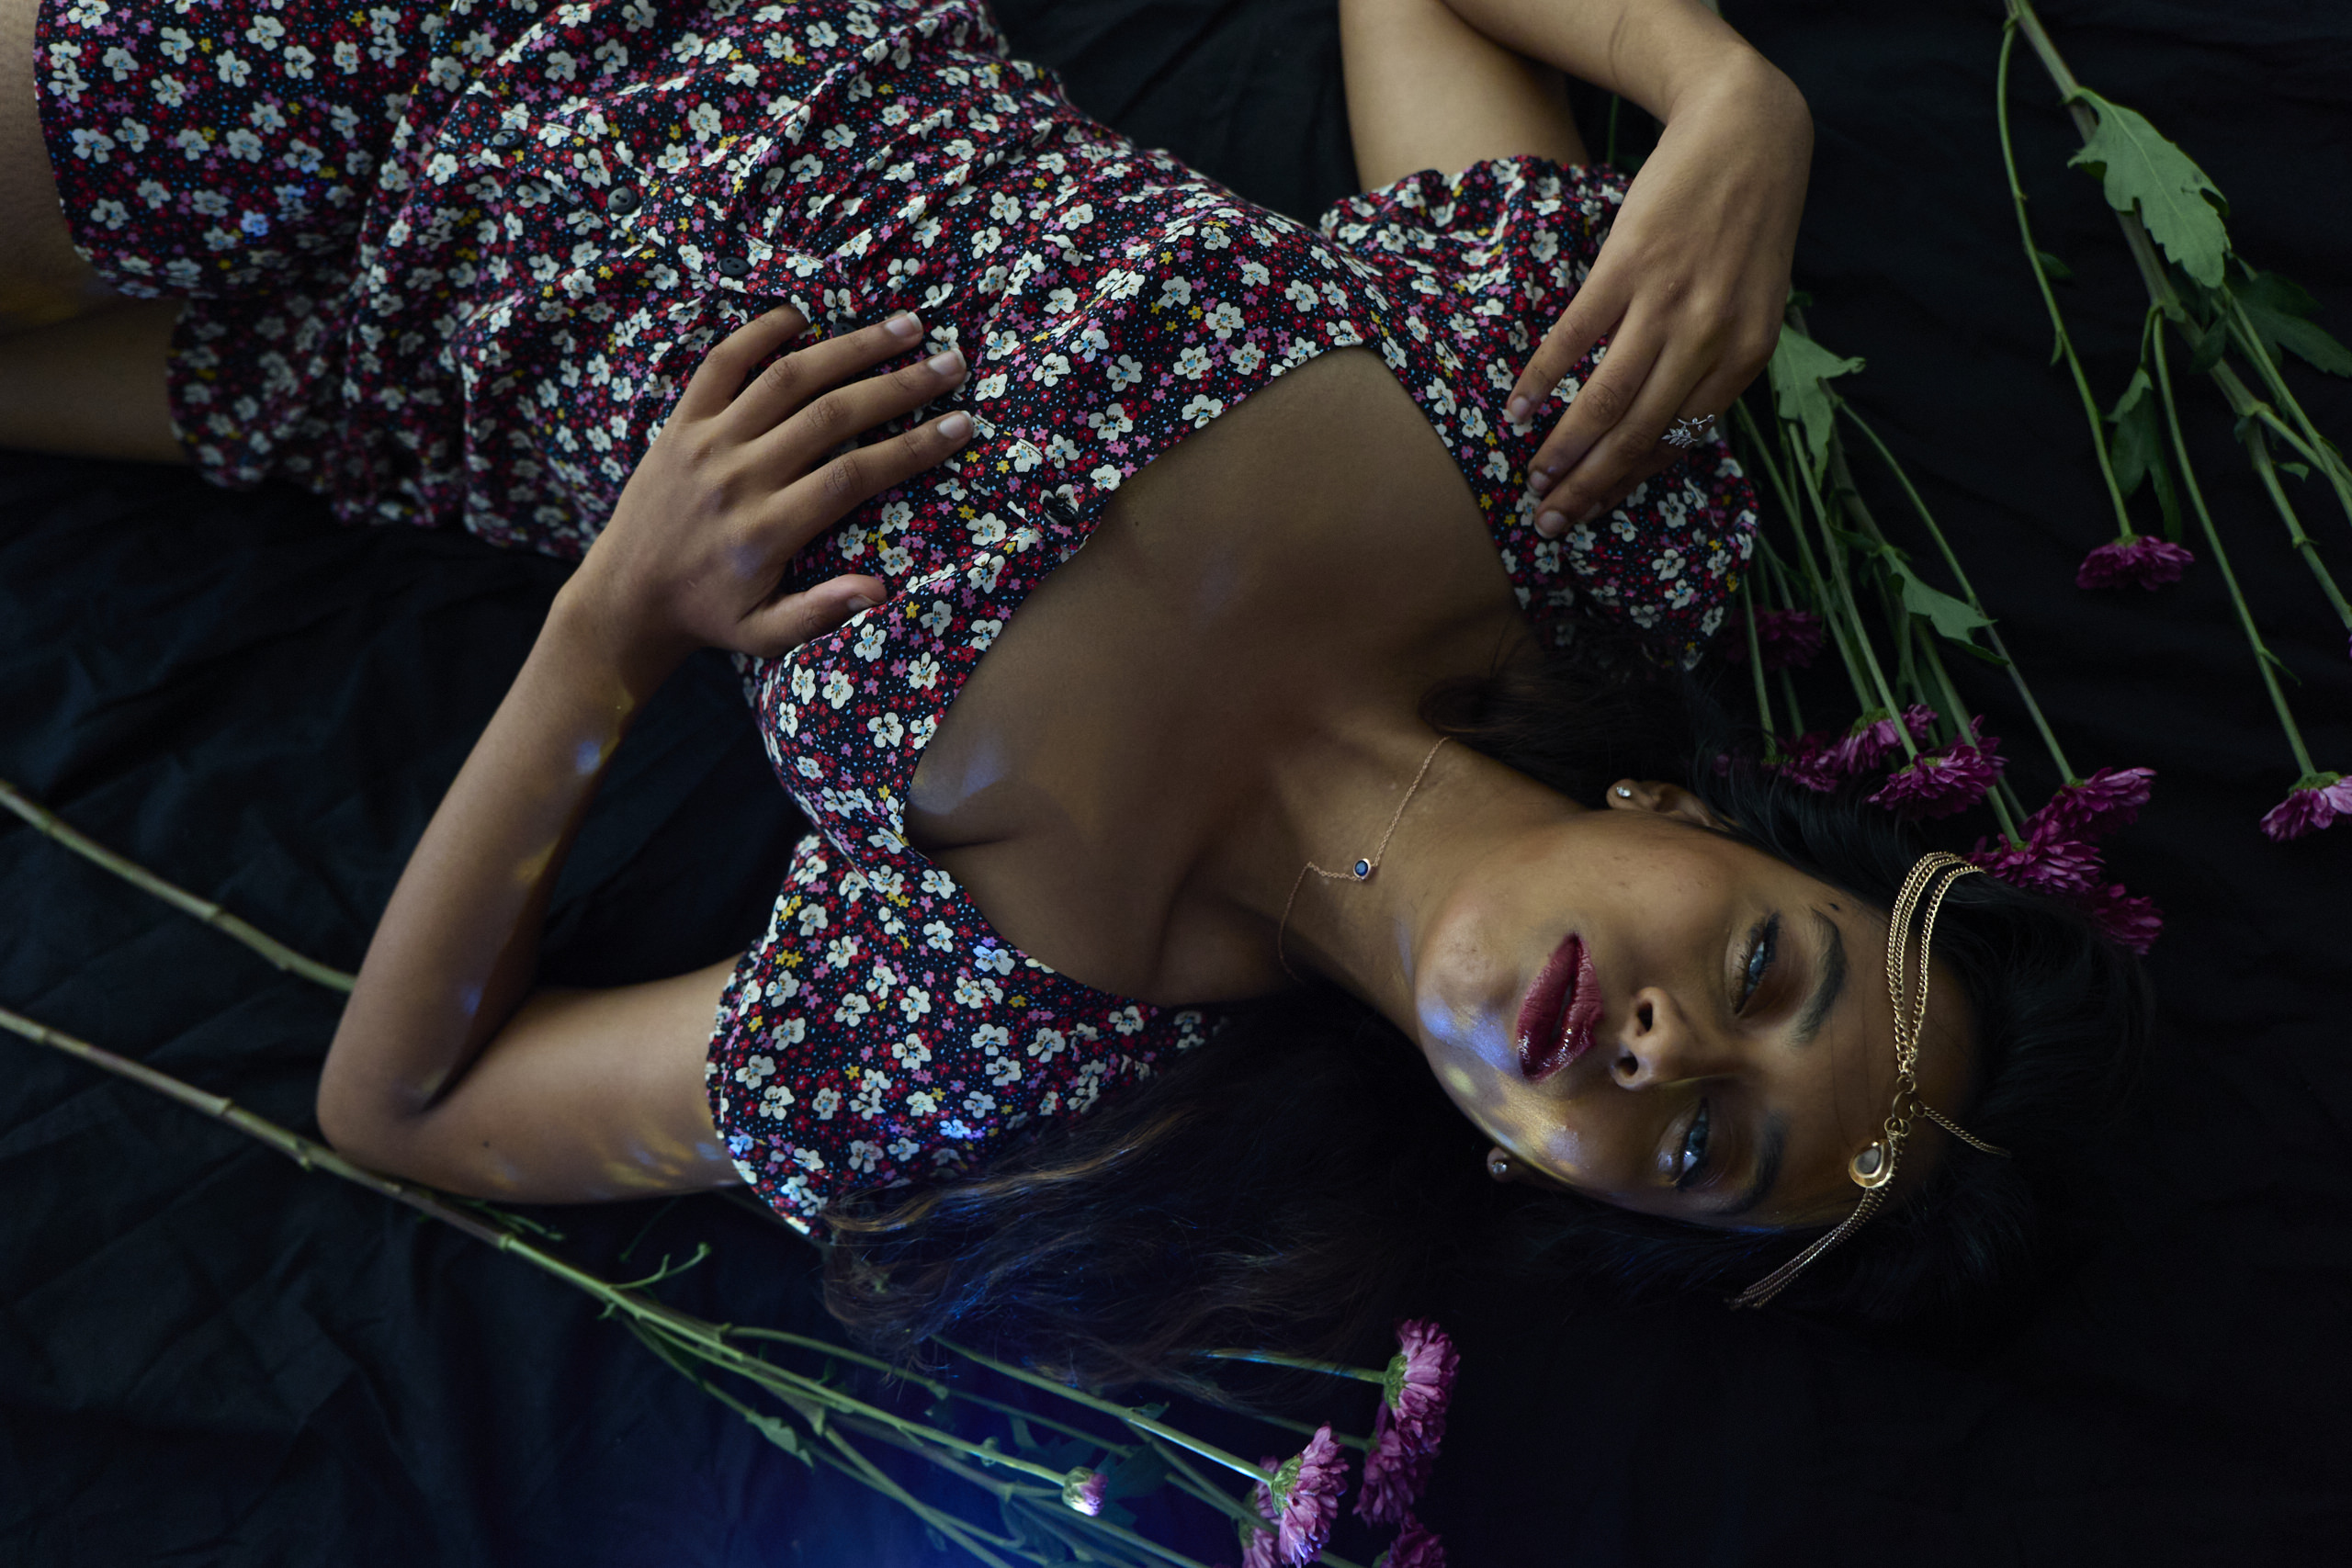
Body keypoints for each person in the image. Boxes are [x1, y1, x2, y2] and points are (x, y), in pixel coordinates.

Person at [2, 0, 2145, 1379]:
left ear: (1540, 1172)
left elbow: (406, 1111)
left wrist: (614, 630)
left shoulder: (1020, 1040)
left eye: (1696, 1148)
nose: (1673, 1048)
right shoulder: (1577, 473)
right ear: (1696, 825)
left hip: (384, 375)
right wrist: (1718, 91)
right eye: (1770, 970)